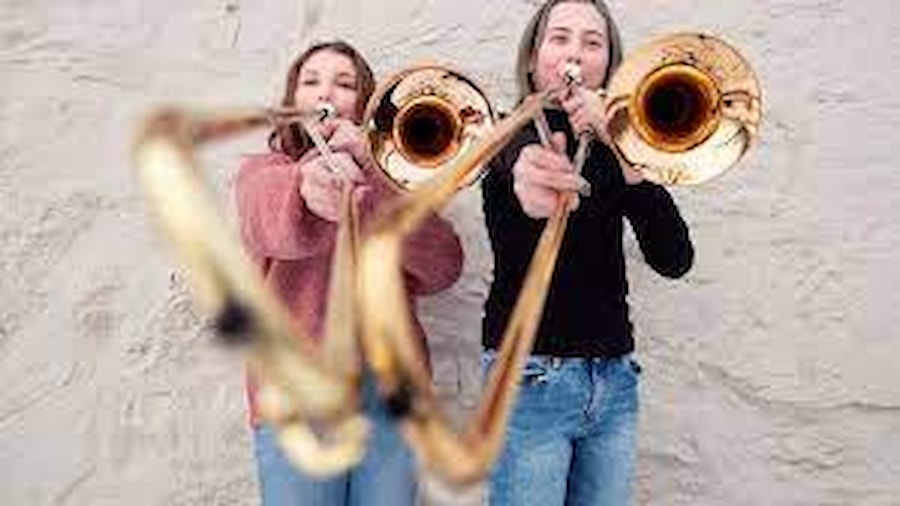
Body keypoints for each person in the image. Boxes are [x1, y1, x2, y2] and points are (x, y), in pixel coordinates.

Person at [481, 1, 694, 504]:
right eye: (559, 38)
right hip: (529, 379)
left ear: (608, 65)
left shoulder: (621, 150)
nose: (575, 52)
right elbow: (525, 183)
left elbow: (674, 258)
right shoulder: (507, 137)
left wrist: (621, 140)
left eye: (592, 42)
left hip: (614, 382)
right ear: (534, 59)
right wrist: (535, 184)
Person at [235, 40, 464, 506]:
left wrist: (373, 186)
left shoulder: (401, 188)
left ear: (365, 102)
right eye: (311, 81)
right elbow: (270, 224)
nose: (327, 94)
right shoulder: (264, 172)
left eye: (345, 83)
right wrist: (307, 187)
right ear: (291, 102)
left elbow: (444, 267)